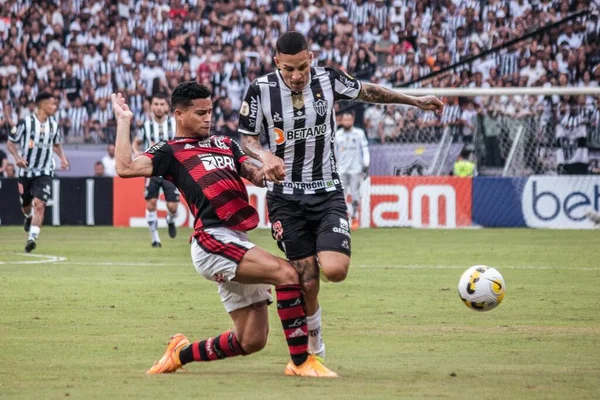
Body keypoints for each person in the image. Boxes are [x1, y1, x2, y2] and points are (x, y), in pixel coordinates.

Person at [239, 31, 444, 359]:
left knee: (335, 270)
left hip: (327, 191)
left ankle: (306, 281)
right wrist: (264, 156)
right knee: (306, 276)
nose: (296, 75)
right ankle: (315, 345)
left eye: (302, 67)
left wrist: (415, 101)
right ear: (277, 62)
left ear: (312, 58)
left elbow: (370, 92)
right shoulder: (260, 90)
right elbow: (246, 138)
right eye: (289, 68)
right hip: (284, 196)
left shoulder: (328, 79)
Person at [111, 82, 337, 378]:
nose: (208, 118)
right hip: (211, 240)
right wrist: (124, 121)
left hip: (237, 240)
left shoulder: (225, 144)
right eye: (200, 113)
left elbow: (255, 176)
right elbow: (125, 167)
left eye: (210, 111)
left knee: (251, 340)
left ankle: (179, 352)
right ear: (179, 115)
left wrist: (268, 170)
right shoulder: (170, 151)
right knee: (288, 275)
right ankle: (301, 362)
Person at [6, 92, 69, 252]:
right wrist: (17, 157)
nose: (55, 107)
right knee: (27, 207)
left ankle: (32, 239)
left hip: (45, 171)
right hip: (26, 172)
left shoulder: (54, 125)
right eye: (52, 104)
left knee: (39, 205)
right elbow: (11, 142)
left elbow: (56, 144)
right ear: (43, 105)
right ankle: (28, 217)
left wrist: (62, 157)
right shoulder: (25, 123)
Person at [132, 92, 180, 247]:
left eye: (162, 104)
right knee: (151, 204)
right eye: (156, 104)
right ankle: (155, 240)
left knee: (172, 207)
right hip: (151, 171)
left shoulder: (175, 124)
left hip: (171, 171)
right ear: (151, 106)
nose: (159, 108)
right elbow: (136, 142)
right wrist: (136, 152)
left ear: (167, 106)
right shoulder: (146, 126)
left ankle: (170, 220)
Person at [335, 111, 370, 230]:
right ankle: (343, 219)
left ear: (353, 120)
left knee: (355, 196)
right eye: (345, 120)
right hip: (341, 169)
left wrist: (366, 164)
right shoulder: (337, 135)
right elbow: (333, 153)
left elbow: (365, 150)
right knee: (341, 196)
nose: (347, 122)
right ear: (341, 121)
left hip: (355, 169)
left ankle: (354, 217)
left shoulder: (359, 134)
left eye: (349, 120)